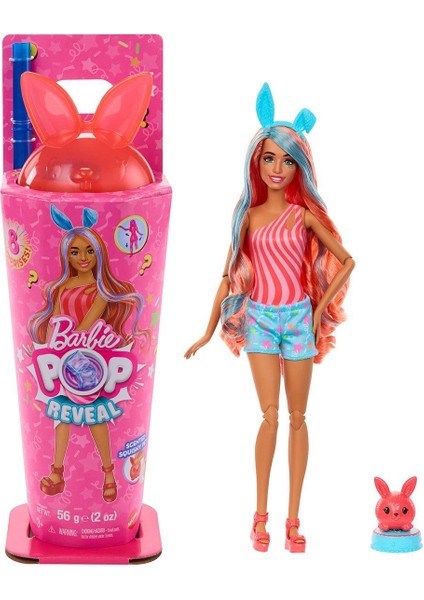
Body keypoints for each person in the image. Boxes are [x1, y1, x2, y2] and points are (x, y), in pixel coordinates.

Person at [185, 84, 355, 552]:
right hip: (259, 319)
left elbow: (348, 261)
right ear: (255, 162)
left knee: (299, 417)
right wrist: (206, 332)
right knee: (271, 415)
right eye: (269, 158)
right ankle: (259, 517)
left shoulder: (303, 217)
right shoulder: (248, 217)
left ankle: (293, 521)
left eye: (288, 161)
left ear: (300, 167)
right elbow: (227, 276)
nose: (278, 168)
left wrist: (319, 308)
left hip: (299, 320)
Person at [28, 206, 147, 503]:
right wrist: (51, 349)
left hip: (91, 362)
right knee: (62, 416)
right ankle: (57, 472)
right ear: (66, 256)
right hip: (63, 358)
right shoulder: (61, 288)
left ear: (98, 254)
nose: (82, 257)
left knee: (96, 416)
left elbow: (87, 324)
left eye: (89, 251)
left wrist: (68, 345)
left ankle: (109, 473)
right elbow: (56, 320)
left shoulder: (101, 290)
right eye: (75, 252)